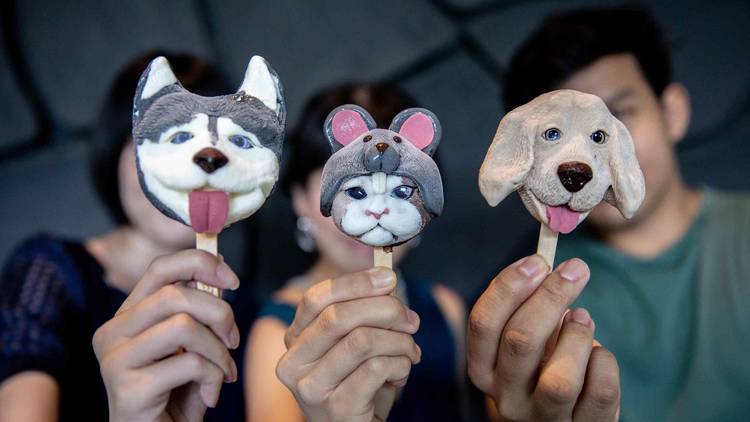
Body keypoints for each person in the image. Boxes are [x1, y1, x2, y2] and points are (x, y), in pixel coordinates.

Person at [466, 7, 750, 421]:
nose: (580, 162)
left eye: (609, 124)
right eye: (552, 134)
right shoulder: (523, 307)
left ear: (672, 112)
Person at [0, 52, 252, 421]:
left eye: (222, 145)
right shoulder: (48, 271)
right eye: (171, 139)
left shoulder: (248, 312)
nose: (198, 167)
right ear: (114, 152)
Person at [245, 84, 468, 421]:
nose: (377, 212)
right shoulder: (276, 334)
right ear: (301, 199)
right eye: (355, 190)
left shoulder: (446, 310)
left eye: (403, 190)